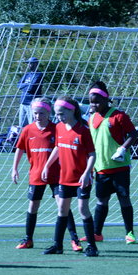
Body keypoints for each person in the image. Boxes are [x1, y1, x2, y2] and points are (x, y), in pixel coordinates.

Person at [12, 98, 81, 251]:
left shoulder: (57, 128)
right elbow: (20, 148)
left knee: (63, 206)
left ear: (49, 113)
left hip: (57, 175)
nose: (38, 116)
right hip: (36, 174)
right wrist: (14, 168)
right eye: (35, 113)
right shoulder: (28, 130)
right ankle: (28, 239)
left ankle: (74, 240)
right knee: (32, 206)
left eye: (42, 113)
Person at [41, 96, 98, 257]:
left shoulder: (83, 130)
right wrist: (47, 165)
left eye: (62, 113)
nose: (59, 117)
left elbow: (92, 155)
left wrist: (87, 173)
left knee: (83, 209)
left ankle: (92, 246)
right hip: (65, 177)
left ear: (72, 111)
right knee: (62, 210)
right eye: (57, 114)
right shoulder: (59, 127)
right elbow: (58, 147)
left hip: (81, 178)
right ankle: (58, 245)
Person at [86, 81, 138, 245]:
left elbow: (133, 134)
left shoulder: (119, 116)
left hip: (119, 167)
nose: (94, 105)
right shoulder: (91, 118)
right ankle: (96, 233)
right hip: (101, 168)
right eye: (91, 102)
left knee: (124, 199)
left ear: (106, 100)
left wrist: (123, 149)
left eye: (97, 102)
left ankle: (129, 233)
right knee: (101, 201)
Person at [17, 57, 43, 128]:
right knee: (22, 125)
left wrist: (24, 86)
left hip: (32, 103)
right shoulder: (27, 74)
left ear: (36, 64)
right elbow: (18, 84)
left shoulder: (38, 74)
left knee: (32, 125)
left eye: (30, 63)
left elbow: (31, 88)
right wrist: (27, 86)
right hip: (23, 102)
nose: (28, 65)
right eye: (28, 63)